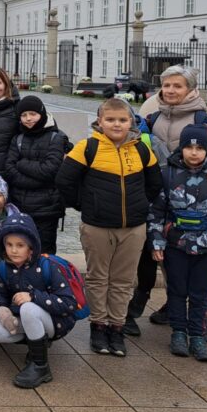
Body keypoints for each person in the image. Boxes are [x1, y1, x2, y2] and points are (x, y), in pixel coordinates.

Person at [130, 64, 207, 341]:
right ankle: (176, 304)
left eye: (177, 86)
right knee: (172, 256)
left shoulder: (204, 119)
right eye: (166, 86)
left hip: (201, 199)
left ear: (189, 89)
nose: (171, 91)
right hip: (168, 197)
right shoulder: (153, 117)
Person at [56, 97, 161, 358]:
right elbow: (65, 180)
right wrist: (84, 205)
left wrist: (140, 205)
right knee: (98, 277)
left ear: (131, 122)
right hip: (98, 226)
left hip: (133, 227)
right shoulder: (88, 147)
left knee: (123, 280)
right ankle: (98, 326)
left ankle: (117, 326)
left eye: (123, 120)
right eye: (111, 120)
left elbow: (155, 183)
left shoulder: (141, 150)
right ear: (100, 122)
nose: (117, 124)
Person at [148, 124, 207, 362]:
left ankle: (197, 335)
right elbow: (157, 212)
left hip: (206, 247)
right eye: (189, 147)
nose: (194, 153)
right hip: (176, 244)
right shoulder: (168, 174)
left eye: (200, 148)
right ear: (182, 148)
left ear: (206, 151)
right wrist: (156, 242)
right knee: (177, 291)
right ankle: (179, 332)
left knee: (200, 294)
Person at [0, 213, 78, 388]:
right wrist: (1, 309)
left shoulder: (47, 266)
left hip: (55, 321)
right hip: (26, 318)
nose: (13, 250)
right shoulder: (3, 268)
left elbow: (69, 303)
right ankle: (36, 346)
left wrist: (34, 297)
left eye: (20, 245)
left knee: (28, 308)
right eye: (9, 244)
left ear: (31, 247)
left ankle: (40, 366)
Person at [3, 95, 70, 254]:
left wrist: (22, 163)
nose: (28, 119)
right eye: (24, 115)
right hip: (20, 206)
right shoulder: (18, 138)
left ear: (42, 113)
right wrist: (37, 179)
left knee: (44, 253)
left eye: (32, 114)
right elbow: (9, 170)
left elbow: (50, 170)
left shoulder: (57, 137)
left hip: (47, 209)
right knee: (20, 252)